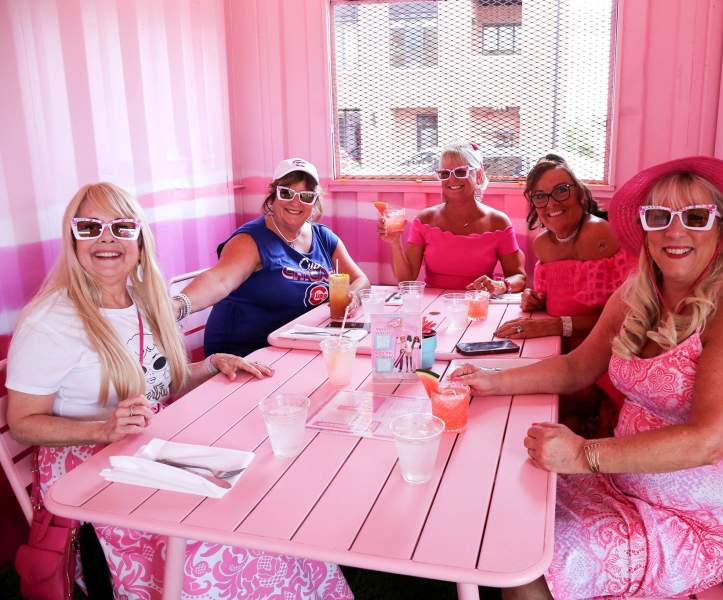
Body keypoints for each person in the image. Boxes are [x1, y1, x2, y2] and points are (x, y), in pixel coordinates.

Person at [452, 156, 723, 598]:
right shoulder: (637, 297)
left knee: (530, 563)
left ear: (721, 230)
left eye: (696, 217)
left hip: (693, 522)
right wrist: (491, 379)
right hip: (618, 479)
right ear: (645, 229)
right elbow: (576, 367)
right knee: (501, 494)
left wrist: (584, 454)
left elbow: (708, 442)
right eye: (660, 216)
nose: (675, 231)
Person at [5, 183, 353, 599]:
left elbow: (160, 380)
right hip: (88, 468)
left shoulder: (143, 301)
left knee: (259, 501)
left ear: (139, 238)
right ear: (72, 237)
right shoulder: (51, 320)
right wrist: (102, 429)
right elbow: (22, 423)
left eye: (121, 226)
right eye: (90, 227)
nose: (106, 239)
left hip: (149, 446)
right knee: (210, 541)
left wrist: (211, 364)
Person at [175, 157, 369, 357]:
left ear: (314, 202)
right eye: (286, 193)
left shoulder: (323, 237)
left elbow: (360, 279)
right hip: (247, 354)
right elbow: (220, 280)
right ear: (273, 196)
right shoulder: (251, 240)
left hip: (296, 346)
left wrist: (352, 295)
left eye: (306, 196)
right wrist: (178, 305)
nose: (296, 202)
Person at [494, 154, 635, 348]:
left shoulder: (599, 234)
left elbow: (628, 318)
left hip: (608, 351)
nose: (551, 203)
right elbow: (562, 302)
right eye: (540, 196)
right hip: (557, 346)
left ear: (580, 193)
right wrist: (534, 299)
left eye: (561, 190)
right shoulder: (543, 245)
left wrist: (552, 326)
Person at [377, 143, 526, 293]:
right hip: (433, 309)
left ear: (479, 175)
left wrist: (501, 285)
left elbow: (519, 277)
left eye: (461, 172)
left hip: (477, 306)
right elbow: (406, 280)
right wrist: (395, 243)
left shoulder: (498, 222)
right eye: (445, 174)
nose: (452, 180)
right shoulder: (425, 220)